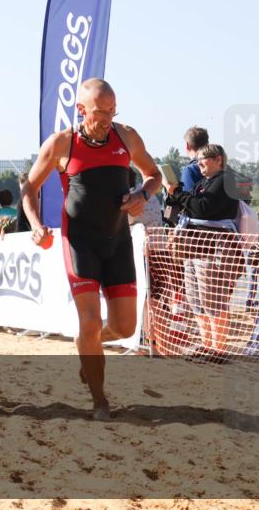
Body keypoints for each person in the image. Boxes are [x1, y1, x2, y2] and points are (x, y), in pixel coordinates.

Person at [22, 79, 161, 420]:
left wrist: (143, 195)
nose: (107, 119)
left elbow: (153, 174)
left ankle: (88, 343)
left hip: (118, 241)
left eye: (112, 111)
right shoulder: (62, 143)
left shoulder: (126, 136)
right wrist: (36, 225)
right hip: (80, 242)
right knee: (88, 321)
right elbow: (29, 187)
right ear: (81, 110)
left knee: (125, 328)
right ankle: (100, 399)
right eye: (100, 112)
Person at [164, 144, 242, 358]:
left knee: (213, 298)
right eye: (197, 162)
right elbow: (187, 206)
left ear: (218, 159)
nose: (199, 166)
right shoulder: (202, 182)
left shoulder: (226, 180)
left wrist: (180, 193)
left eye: (203, 161)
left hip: (214, 247)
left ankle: (219, 349)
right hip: (194, 247)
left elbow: (204, 207)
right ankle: (206, 344)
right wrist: (172, 193)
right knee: (195, 298)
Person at [180, 126, 209, 194]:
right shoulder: (222, 167)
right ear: (207, 144)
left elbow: (189, 201)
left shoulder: (190, 170)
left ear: (187, 145)